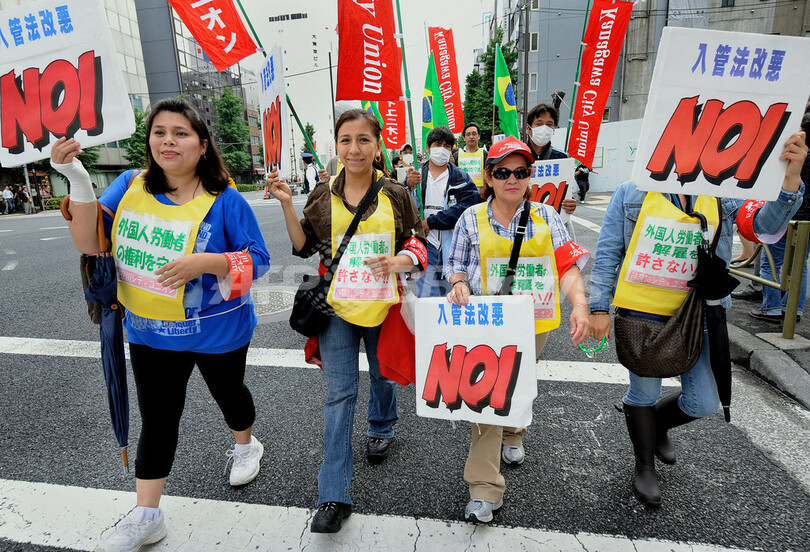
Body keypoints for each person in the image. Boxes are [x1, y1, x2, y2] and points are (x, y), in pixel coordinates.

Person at [52, 98, 270, 551]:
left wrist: (206, 263)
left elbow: (259, 259)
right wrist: (77, 179)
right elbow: (90, 242)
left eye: (181, 133)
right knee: (158, 418)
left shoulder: (226, 199)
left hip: (218, 332)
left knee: (229, 395)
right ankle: (147, 515)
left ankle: (246, 444)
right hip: (149, 331)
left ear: (203, 145)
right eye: (160, 132)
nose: (168, 141)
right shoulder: (130, 186)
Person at [588, 129, 808, 507]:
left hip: (704, 310)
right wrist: (597, 308)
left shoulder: (722, 191)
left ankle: (656, 425)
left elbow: (764, 226)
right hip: (642, 311)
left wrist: (791, 179)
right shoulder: (631, 191)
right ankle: (644, 466)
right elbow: (608, 252)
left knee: (704, 402)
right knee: (644, 393)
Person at [267, 109, 427, 534]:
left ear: (377, 146)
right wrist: (286, 204)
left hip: (383, 307)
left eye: (363, 140)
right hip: (335, 308)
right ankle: (332, 494)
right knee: (340, 395)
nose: (354, 149)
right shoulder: (322, 194)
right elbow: (303, 246)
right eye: (345, 140)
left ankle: (382, 425)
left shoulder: (396, 193)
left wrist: (398, 261)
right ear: (336, 146)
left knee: (381, 374)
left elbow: (418, 241)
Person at [445, 136, 590, 523]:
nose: (512, 179)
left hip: (533, 322)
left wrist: (579, 304)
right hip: (486, 321)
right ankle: (484, 488)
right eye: (503, 172)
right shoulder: (469, 218)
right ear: (489, 177)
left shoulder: (547, 216)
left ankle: (515, 432)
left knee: (518, 380)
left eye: (521, 171)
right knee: (488, 392)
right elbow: (455, 264)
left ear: (530, 176)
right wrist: (458, 283)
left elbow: (567, 264)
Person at [405, 126, 479, 297]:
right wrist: (407, 185)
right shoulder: (416, 175)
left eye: (447, 146)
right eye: (438, 144)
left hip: (453, 246)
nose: (442, 149)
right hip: (426, 245)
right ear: (428, 148)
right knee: (427, 297)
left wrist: (431, 222)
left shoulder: (461, 178)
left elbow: (465, 209)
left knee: (452, 297)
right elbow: (402, 204)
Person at [750, 114, 810, 323]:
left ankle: (772, 308)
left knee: (770, 263)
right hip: (806, 221)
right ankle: (793, 310)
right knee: (800, 266)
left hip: (787, 216)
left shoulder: (791, 154)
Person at [524, 103, 578, 239]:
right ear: (528, 129)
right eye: (539, 124)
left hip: (553, 228)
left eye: (549, 124)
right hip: (523, 226)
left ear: (554, 129)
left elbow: (569, 192)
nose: (544, 128)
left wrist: (570, 203)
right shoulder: (517, 156)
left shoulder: (562, 158)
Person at [453, 122, 489, 190]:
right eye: (468, 134)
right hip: (462, 193)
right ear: (464, 138)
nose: (471, 137)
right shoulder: (456, 156)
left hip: (481, 193)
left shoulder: (485, 155)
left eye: (474, 134)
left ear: (478, 136)